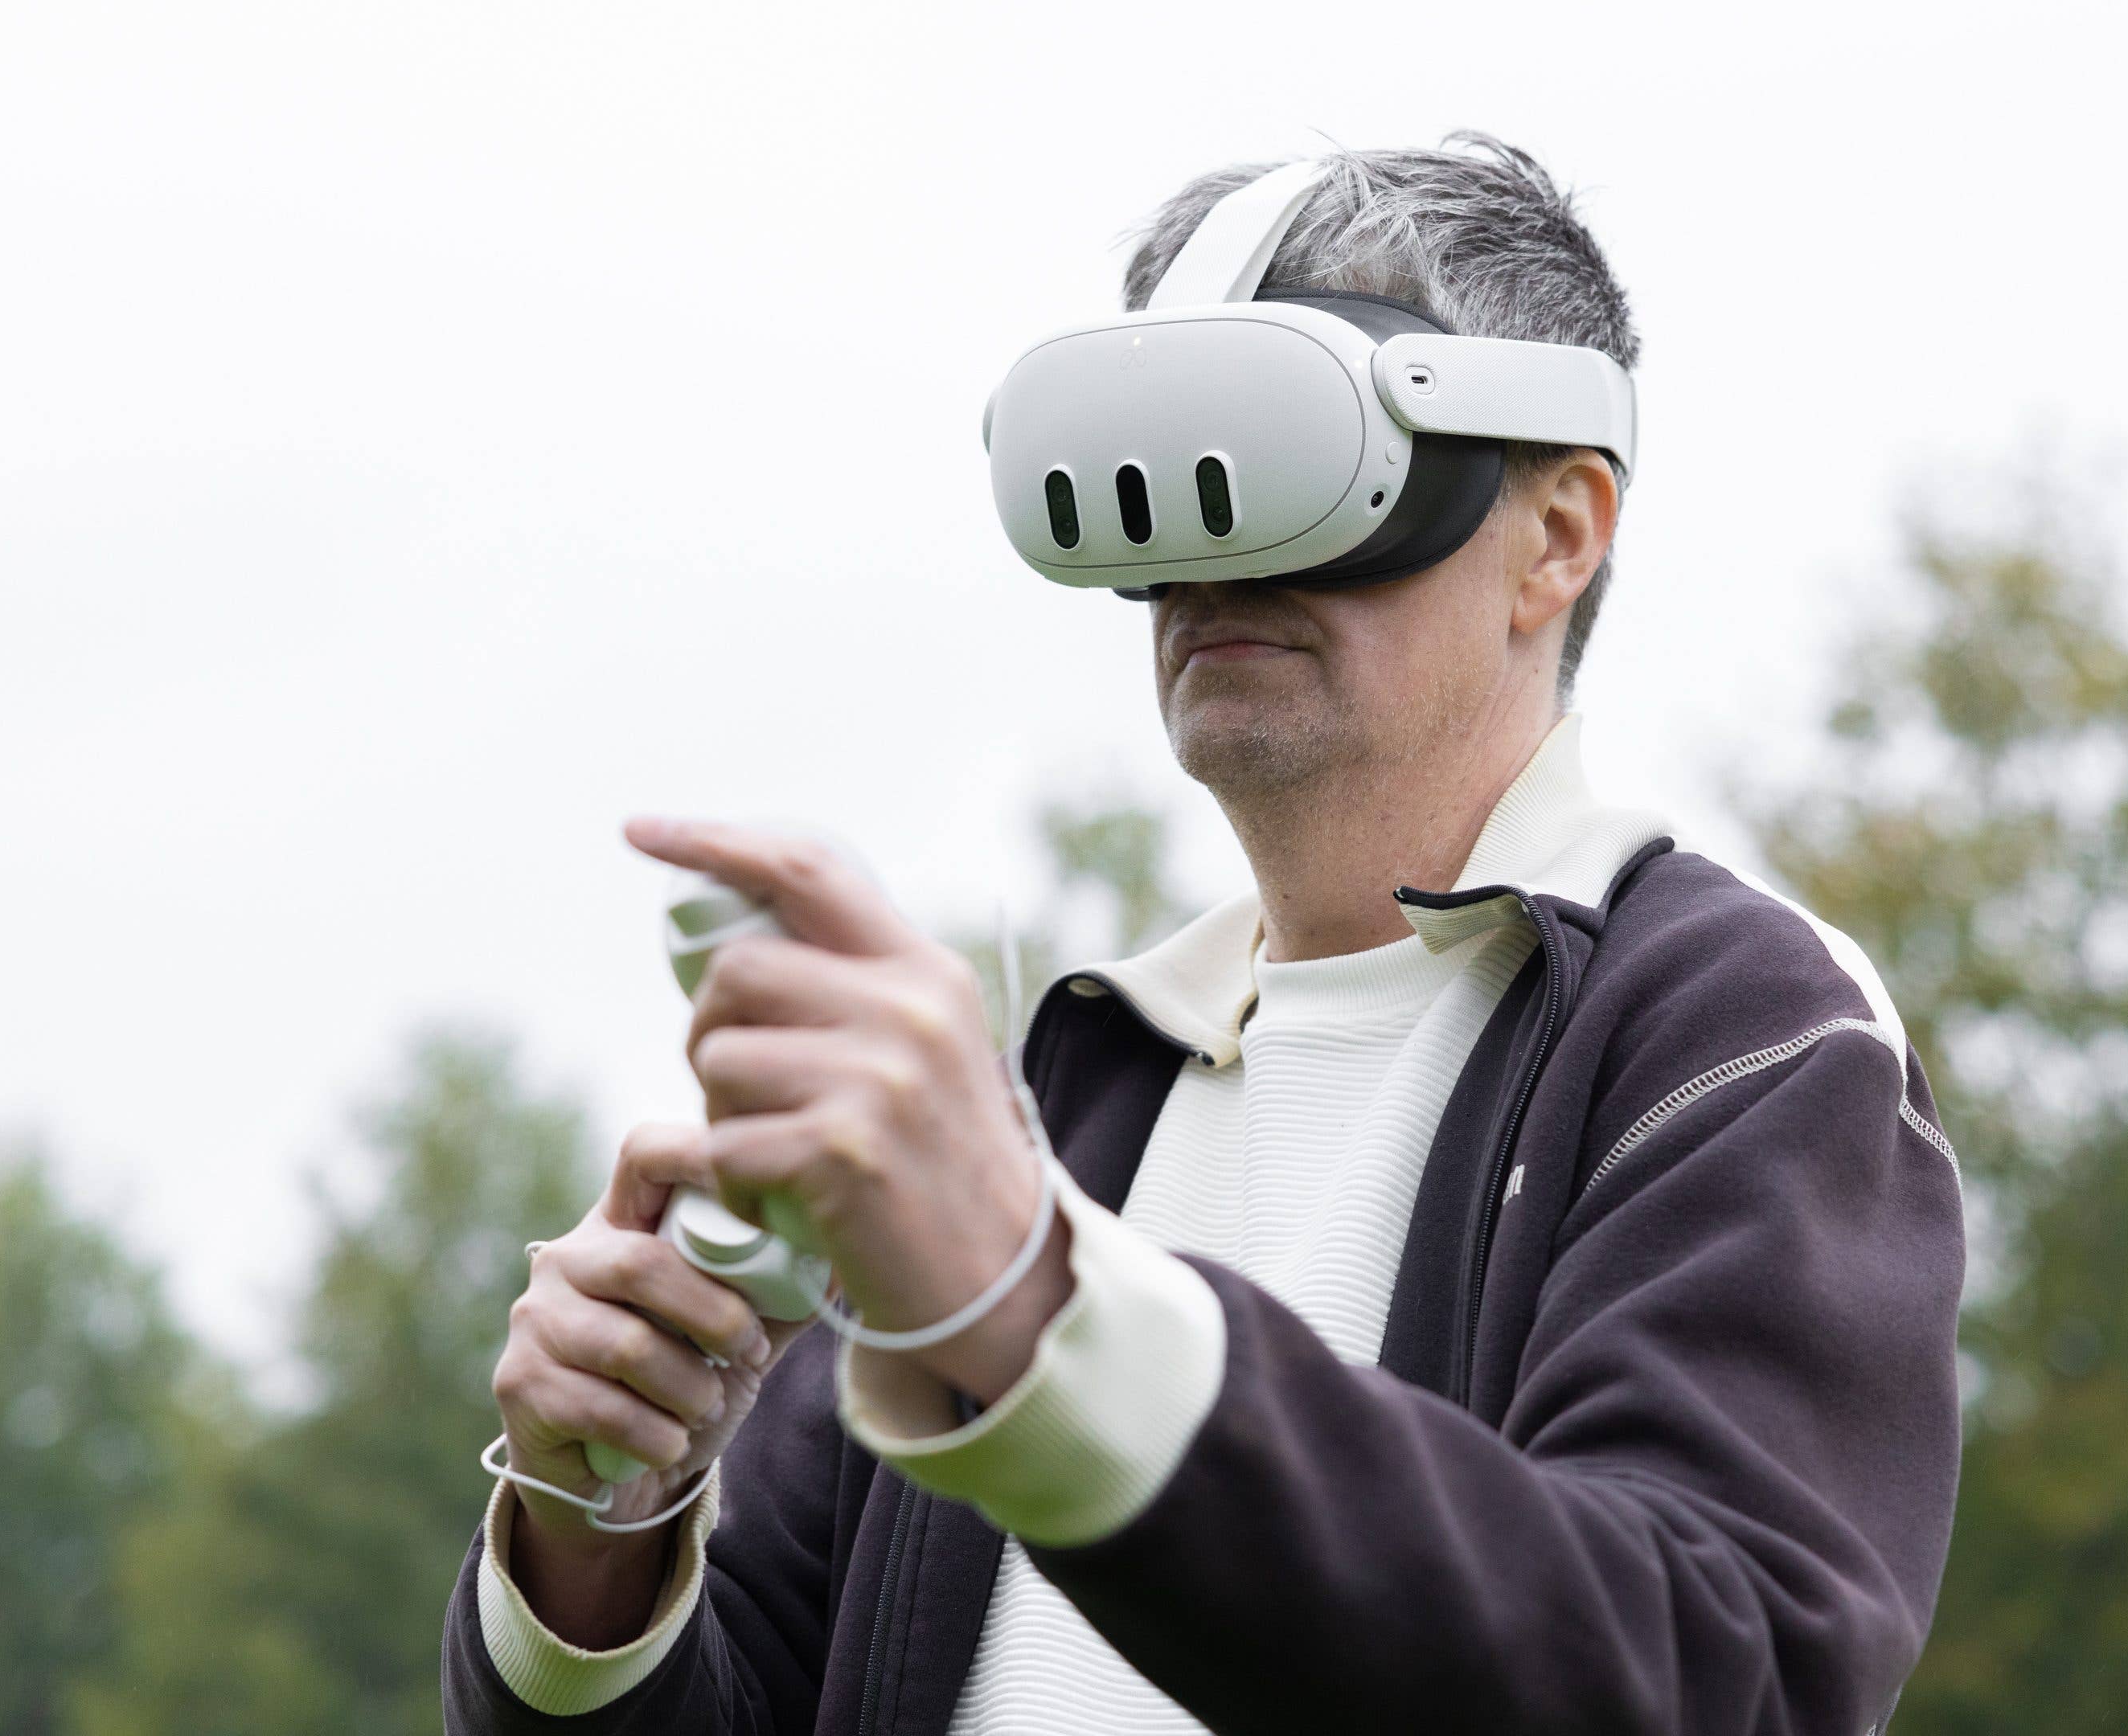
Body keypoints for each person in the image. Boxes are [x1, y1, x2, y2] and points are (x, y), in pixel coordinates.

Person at [442, 134, 1965, 1736]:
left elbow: (1705, 1675)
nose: (1210, 560)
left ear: (1559, 533)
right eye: (1148, 478)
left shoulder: (1728, 1030)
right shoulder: (1066, 1088)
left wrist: (1038, 1307)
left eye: (1288, 461)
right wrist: (596, 1535)